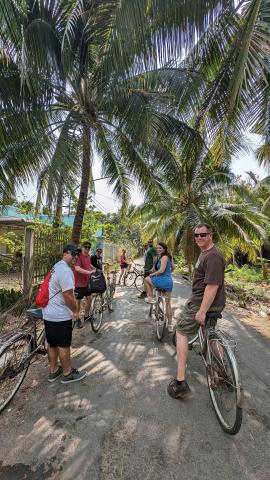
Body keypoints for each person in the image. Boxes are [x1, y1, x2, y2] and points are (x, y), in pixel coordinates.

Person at [167, 223, 225, 399]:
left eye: (203, 234)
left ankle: (180, 382)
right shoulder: (205, 252)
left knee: (182, 332)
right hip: (205, 302)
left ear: (210, 235)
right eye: (196, 235)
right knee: (209, 332)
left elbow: (212, 287)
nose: (199, 238)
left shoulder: (213, 256)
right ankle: (223, 369)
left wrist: (201, 311)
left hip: (201, 304)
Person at [42, 244, 86, 384]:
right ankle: (67, 374)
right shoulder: (66, 271)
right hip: (60, 315)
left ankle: (54, 371)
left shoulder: (57, 266)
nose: (76, 256)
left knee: (52, 343)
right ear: (66, 253)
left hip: (48, 312)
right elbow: (68, 296)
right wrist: (75, 311)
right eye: (74, 253)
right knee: (63, 345)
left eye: (78, 254)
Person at [144, 242, 175, 332]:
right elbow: (173, 268)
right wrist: (168, 274)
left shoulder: (164, 257)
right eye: (157, 248)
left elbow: (161, 271)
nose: (158, 249)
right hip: (168, 282)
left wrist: (152, 274)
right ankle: (170, 325)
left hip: (162, 281)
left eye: (160, 248)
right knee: (168, 304)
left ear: (164, 249)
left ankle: (151, 297)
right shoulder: (167, 257)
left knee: (146, 279)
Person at [74, 241, 96, 328]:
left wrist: (95, 269)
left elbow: (88, 264)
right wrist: (89, 272)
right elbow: (77, 268)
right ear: (82, 247)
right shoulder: (79, 257)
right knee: (78, 302)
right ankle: (77, 319)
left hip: (86, 283)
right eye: (85, 247)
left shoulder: (88, 256)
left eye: (88, 247)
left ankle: (86, 316)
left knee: (89, 299)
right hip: (78, 284)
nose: (87, 249)